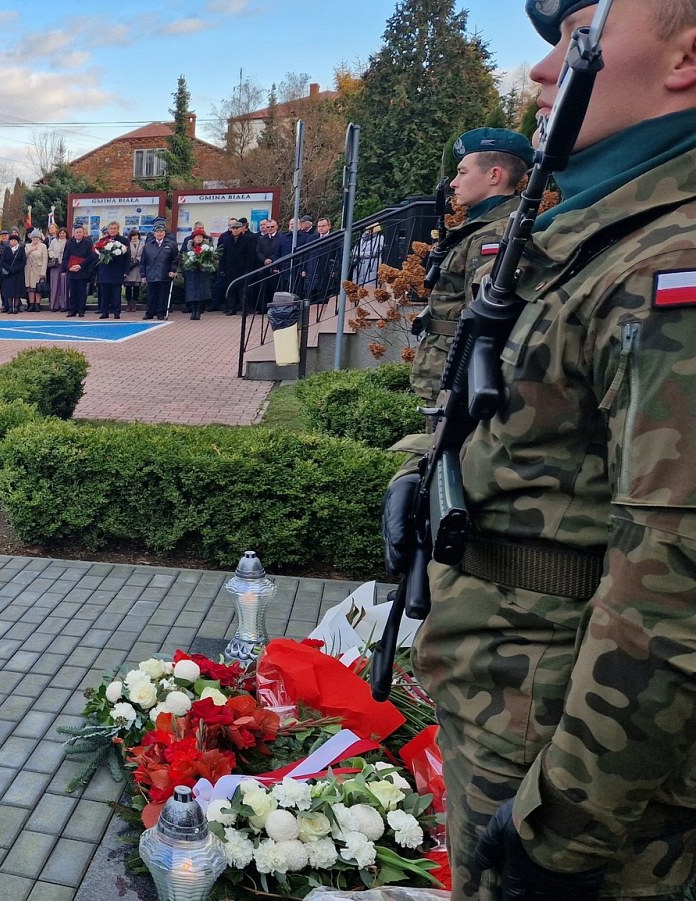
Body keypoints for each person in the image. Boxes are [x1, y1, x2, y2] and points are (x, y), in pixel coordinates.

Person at [386, 2, 696, 897]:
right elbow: (515, 419)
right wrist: (421, 464)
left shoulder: (669, 261)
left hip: (567, 759)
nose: (543, 69)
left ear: (686, 56)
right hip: (514, 702)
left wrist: (564, 827)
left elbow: (674, 589)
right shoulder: (599, 235)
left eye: (580, 35)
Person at [408, 128, 532, 403]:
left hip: (459, 381)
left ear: (494, 175)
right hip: (451, 372)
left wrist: (463, 388)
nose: (454, 183)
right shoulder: (480, 228)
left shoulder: (495, 235)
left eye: (462, 172)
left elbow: (481, 320)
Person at [140, 217, 179, 321]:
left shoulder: (171, 244)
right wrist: (143, 275)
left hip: (164, 273)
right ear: (154, 233)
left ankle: (161, 313)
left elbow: (175, 259)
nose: (159, 233)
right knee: (151, 295)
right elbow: (143, 261)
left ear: (164, 233)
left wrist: (173, 270)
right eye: (157, 232)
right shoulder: (148, 245)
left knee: (163, 295)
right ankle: (150, 313)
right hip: (151, 273)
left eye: (161, 231)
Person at [93, 221, 128, 319]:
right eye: (111, 228)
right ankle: (104, 312)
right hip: (104, 271)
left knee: (116, 293)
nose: (112, 230)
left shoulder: (123, 241)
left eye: (114, 228)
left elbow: (127, 257)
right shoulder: (102, 241)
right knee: (104, 293)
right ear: (108, 230)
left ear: (118, 229)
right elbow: (97, 256)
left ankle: (116, 312)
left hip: (117, 270)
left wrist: (126, 271)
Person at [180, 232, 216, 320]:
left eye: (200, 237)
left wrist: (205, 263)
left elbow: (212, 259)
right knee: (192, 293)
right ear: (193, 238)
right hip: (191, 273)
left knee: (201, 293)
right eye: (197, 237)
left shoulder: (207, 248)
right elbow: (182, 258)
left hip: (202, 273)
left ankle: (198, 311)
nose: (199, 238)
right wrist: (189, 263)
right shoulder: (188, 248)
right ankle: (193, 311)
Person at [62, 225, 95, 317]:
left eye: (80, 232)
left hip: (83, 271)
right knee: (72, 292)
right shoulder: (69, 243)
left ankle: (81, 310)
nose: (79, 234)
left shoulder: (88, 243)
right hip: (72, 271)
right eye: (77, 232)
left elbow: (90, 257)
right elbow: (66, 256)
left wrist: (80, 266)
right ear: (74, 233)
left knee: (81, 292)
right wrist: (68, 268)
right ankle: (72, 310)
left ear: (83, 233)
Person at [0, 232, 25, 314]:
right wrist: (9, 269)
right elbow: (2, 261)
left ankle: (15, 307)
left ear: (17, 241)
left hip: (18, 273)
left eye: (15, 240)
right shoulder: (6, 249)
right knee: (9, 291)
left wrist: (16, 269)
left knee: (17, 291)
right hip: (8, 274)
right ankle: (10, 307)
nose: (13, 242)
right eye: (12, 240)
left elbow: (23, 261)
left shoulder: (21, 249)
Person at [24, 231, 48, 313]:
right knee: (30, 288)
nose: (35, 239)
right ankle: (31, 304)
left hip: (38, 269)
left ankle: (37, 304)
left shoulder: (43, 246)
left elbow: (45, 260)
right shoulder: (27, 246)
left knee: (38, 288)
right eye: (34, 237)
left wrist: (43, 273)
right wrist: (29, 250)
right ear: (31, 238)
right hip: (28, 269)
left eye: (37, 237)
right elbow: (23, 256)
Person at [123, 229, 146, 311]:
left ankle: (134, 304)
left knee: (136, 287)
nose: (134, 237)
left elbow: (144, 255)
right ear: (130, 237)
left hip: (138, 267)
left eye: (136, 235)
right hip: (129, 267)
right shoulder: (127, 245)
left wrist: (138, 259)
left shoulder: (142, 245)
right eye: (133, 235)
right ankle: (128, 304)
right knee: (128, 287)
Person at [47, 227, 67, 312]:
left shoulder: (68, 242)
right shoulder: (54, 241)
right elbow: (49, 250)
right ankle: (54, 305)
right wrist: (53, 255)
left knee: (63, 285)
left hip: (64, 265)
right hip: (55, 265)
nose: (62, 234)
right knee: (54, 285)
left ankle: (63, 305)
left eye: (64, 233)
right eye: (61, 233)